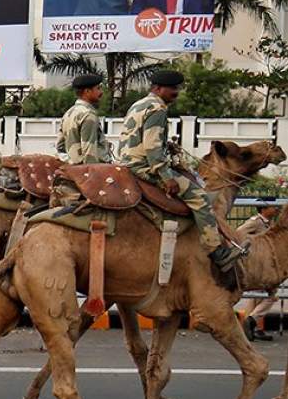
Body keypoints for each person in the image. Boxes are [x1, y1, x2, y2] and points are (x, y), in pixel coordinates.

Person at [118, 69, 243, 280]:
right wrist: (166, 175)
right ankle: (217, 252)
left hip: (128, 163)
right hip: (143, 167)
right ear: (158, 88)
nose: (176, 92)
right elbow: (151, 147)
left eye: (177, 88)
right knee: (200, 197)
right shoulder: (157, 108)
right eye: (172, 88)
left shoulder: (138, 104)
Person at [236, 199, 282, 341]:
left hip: (266, 264)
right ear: (264, 209)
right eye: (273, 206)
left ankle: (251, 328)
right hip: (258, 264)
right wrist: (254, 247)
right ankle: (252, 320)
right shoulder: (256, 222)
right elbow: (239, 233)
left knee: (257, 297)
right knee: (271, 296)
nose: (276, 209)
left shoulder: (269, 223)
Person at [57, 73, 113, 164]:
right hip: (90, 170)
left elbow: (60, 147)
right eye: (98, 88)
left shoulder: (69, 113)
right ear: (87, 91)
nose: (101, 92)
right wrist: (91, 174)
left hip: (73, 168)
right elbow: (89, 150)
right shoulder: (88, 115)